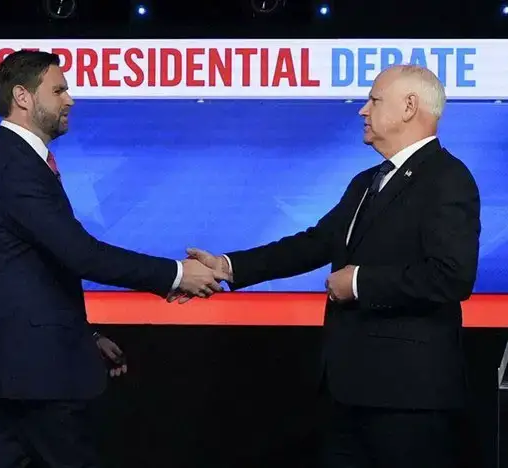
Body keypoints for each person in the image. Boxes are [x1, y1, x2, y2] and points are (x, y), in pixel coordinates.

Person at [177, 65, 481, 468]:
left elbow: (451, 275)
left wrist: (359, 282)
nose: (362, 111)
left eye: (373, 100)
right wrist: (231, 267)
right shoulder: (365, 181)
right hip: (347, 391)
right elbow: (315, 243)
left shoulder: (448, 178)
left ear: (410, 107)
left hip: (408, 398)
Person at [0, 50, 227, 468]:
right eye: (59, 89)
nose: (70, 99)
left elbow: (37, 272)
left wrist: (84, 337)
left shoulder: (14, 159)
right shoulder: (14, 165)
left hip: (22, 368)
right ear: (23, 96)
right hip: (36, 373)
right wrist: (176, 275)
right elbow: (80, 253)